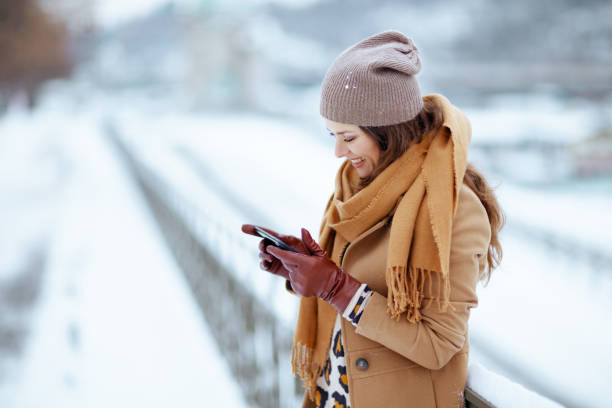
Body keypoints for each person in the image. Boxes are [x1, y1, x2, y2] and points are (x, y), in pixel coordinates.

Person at [242, 30, 503, 408]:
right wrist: (308, 269)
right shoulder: (357, 191)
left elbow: (439, 344)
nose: (337, 152)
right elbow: (356, 287)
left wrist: (335, 287)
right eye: (332, 135)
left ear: (386, 131)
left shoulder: (452, 208)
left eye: (348, 137)